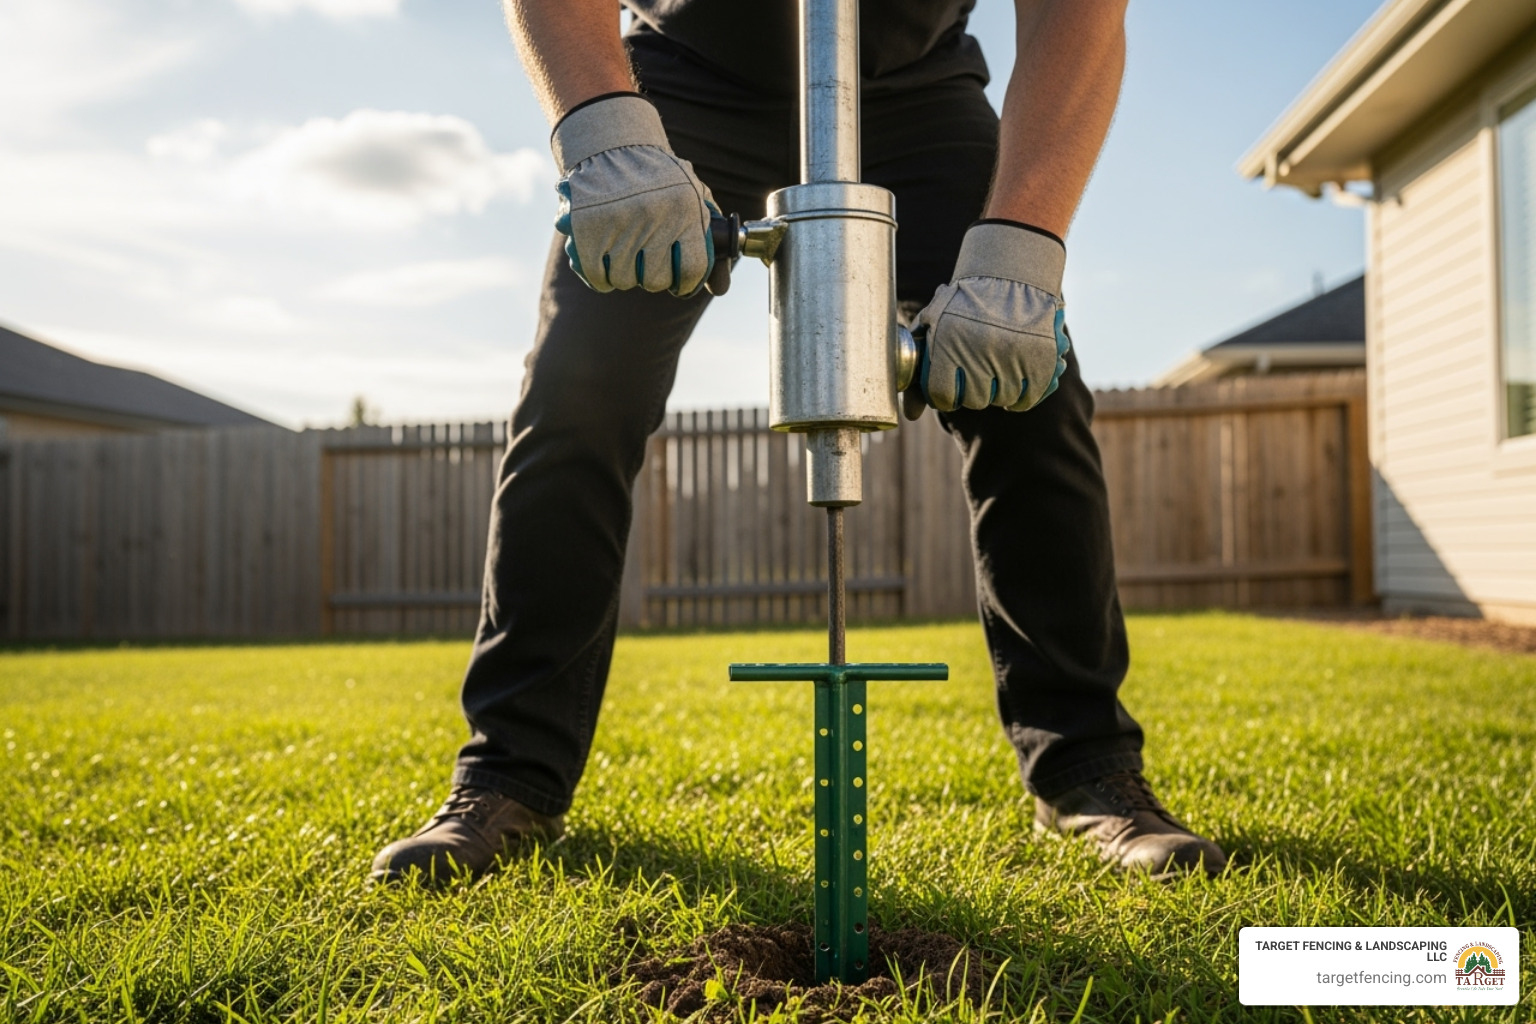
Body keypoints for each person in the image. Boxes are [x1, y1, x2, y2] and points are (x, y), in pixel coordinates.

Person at [372, 0, 1227, 885]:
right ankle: (507, 777)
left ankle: (1089, 772)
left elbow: (1076, 13)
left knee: (1029, 396)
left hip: (912, 88)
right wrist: (604, 134)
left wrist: (1023, 251)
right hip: (685, 78)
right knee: (576, 394)